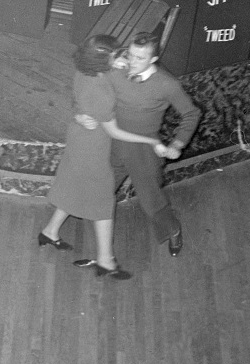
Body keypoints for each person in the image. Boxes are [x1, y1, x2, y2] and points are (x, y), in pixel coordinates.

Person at [37, 35, 166, 281]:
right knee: (103, 200)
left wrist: (78, 115)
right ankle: (106, 261)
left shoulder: (86, 71)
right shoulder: (99, 92)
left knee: (75, 186)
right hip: (93, 147)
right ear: (103, 60)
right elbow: (114, 131)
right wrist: (151, 140)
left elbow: (78, 100)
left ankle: (50, 231)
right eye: (116, 55)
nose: (122, 58)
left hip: (81, 138)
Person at [81, 32, 200, 258]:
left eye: (140, 58)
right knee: (99, 192)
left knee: (152, 202)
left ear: (153, 60)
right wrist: (108, 61)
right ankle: (100, 252)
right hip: (114, 144)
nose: (132, 63)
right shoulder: (117, 71)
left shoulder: (167, 84)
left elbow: (191, 113)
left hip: (144, 151)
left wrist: (177, 143)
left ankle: (173, 230)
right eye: (130, 55)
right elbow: (88, 75)